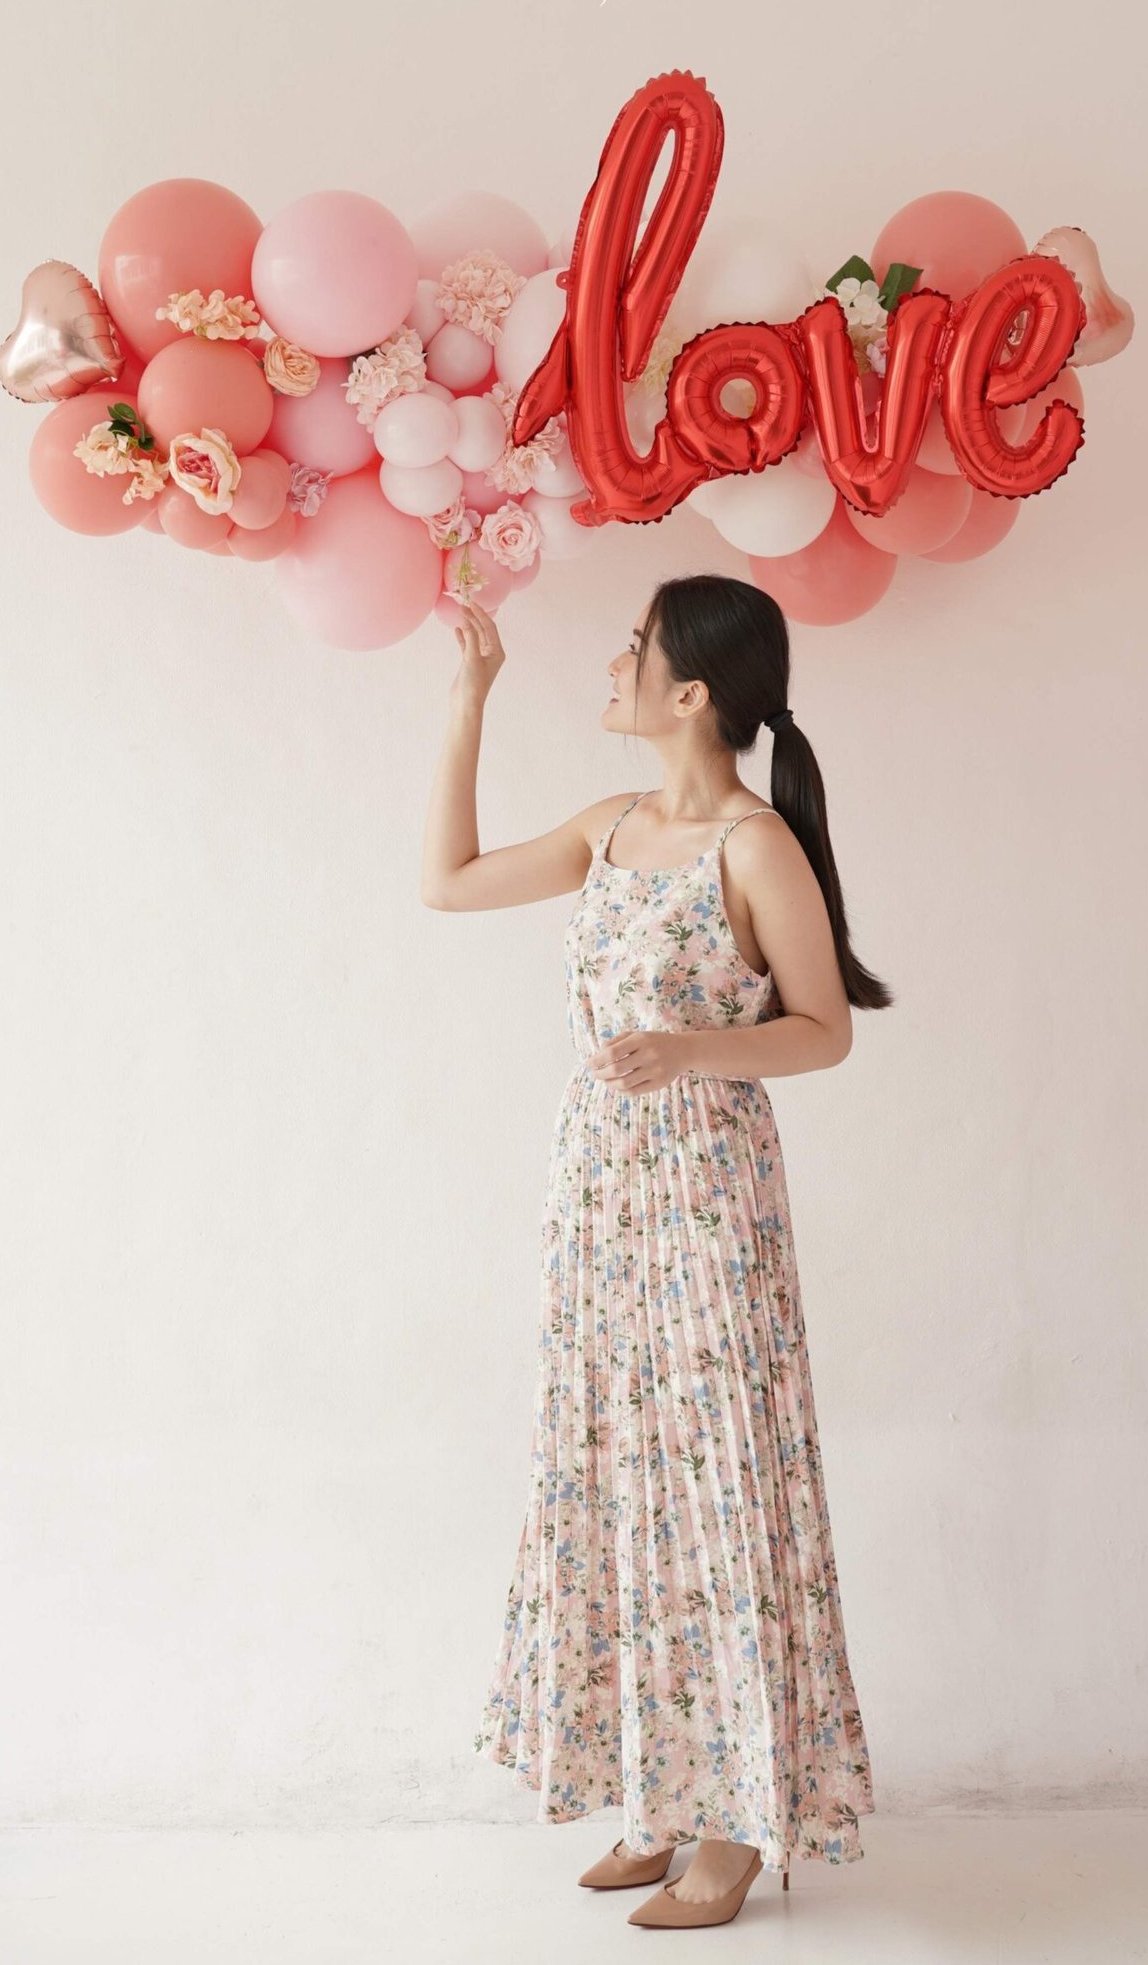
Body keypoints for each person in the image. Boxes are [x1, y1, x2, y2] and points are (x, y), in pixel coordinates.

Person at [424, 571, 885, 1930]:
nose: (614, 660)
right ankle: (667, 1791)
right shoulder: (611, 824)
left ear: (691, 692)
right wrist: (469, 699)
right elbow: (446, 883)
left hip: (706, 1198)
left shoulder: (756, 846)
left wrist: (690, 1047)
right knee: (626, 1475)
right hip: (601, 1196)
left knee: (718, 1482)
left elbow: (824, 1028)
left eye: (637, 647)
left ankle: (740, 1826)